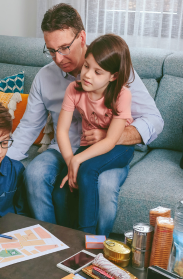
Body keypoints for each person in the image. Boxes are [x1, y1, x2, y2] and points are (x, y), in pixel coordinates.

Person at [6, 3, 163, 235]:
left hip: (106, 149)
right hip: (63, 149)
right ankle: (52, 244)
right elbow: (29, 127)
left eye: (64, 48)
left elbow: (154, 120)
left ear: (82, 37)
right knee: (35, 174)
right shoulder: (45, 78)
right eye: (51, 50)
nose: (58, 58)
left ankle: (94, 251)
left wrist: (111, 136)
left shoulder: (114, 70)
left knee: (105, 187)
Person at [58, 34, 135, 234]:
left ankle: (87, 240)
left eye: (97, 71)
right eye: (86, 66)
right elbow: (61, 130)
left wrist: (79, 161)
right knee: (63, 187)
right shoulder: (74, 89)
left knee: (87, 171)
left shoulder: (121, 95)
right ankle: (68, 237)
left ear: (113, 76)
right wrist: (70, 162)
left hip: (119, 147)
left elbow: (110, 141)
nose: (87, 75)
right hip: (89, 145)